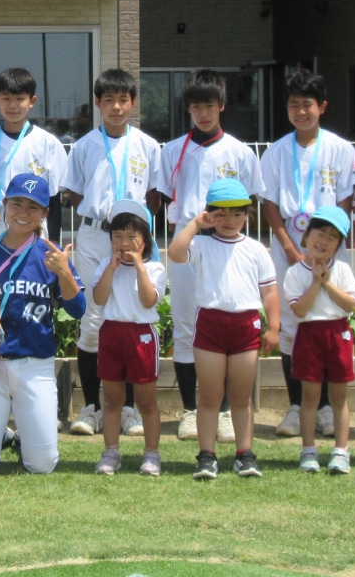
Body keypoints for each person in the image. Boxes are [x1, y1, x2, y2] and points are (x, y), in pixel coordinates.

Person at [153, 70, 265, 446]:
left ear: (222, 106)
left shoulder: (240, 152)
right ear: (188, 108)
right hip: (189, 245)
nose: (203, 113)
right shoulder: (171, 150)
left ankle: (229, 414)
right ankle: (190, 409)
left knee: (230, 320)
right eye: (196, 106)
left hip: (229, 246)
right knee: (187, 327)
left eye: (210, 106)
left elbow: (252, 201)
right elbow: (161, 199)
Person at [63, 68, 162, 439]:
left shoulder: (148, 146)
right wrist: (102, 224)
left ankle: (132, 410)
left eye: (123, 100)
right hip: (94, 236)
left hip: (134, 239)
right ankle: (91, 407)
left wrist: (134, 232)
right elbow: (75, 193)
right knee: (93, 321)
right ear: (98, 104)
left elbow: (154, 195)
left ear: (132, 103)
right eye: (109, 100)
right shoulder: (85, 145)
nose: (116, 107)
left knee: (133, 317)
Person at [258, 69, 355, 442]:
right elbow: (269, 203)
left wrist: (330, 247)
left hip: (328, 249)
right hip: (290, 250)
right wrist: (287, 246)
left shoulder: (340, 150)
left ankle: (329, 410)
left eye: (308, 105)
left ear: (322, 107)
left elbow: (345, 201)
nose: (301, 112)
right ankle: (298, 405)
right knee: (291, 326)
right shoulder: (276, 151)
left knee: (329, 321)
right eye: (294, 104)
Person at [0, 174, 84, 476]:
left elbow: (78, 309)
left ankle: (23, 437)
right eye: (16, 203)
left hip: (35, 364)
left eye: (33, 207)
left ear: (45, 213)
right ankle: (2, 434)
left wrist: (64, 274)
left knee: (42, 465)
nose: (23, 212)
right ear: (4, 206)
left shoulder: (52, 256)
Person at [167, 178, 279, 480]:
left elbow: (269, 291)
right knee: (210, 396)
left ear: (247, 214)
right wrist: (195, 224)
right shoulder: (202, 244)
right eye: (221, 213)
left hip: (245, 325)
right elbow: (175, 254)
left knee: (241, 397)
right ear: (210, 214)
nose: (229, 220)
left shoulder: (255, 249)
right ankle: (207, 455)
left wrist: (274, 327)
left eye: (237, 213)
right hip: (210, 324)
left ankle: (245, 453)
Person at [89, 200, 165, 477]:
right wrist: (111, 268)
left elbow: (148, 301)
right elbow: (98, 298)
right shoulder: (105, 265)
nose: (124, 243)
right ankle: (111, 451)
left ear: (145, 241)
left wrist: (139, 268)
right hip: (111, 332)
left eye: (132, 237)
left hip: (141, 335)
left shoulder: (155, 269)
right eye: (117, 236)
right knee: (111, 400)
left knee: (146, 401)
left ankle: (152, 454)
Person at [282, 205, 355, 475]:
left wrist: (327, 283)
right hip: (308, 336)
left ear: (339, 245)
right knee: (309, 398)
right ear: (307, 234)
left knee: (339, 398)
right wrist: (315, 282)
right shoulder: (294, 273)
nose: (323, 241)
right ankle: (309, 450)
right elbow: (300, 309)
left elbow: (350, 304)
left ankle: (341, 451)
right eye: (320, 232)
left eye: (333, 237)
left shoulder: (343, 271)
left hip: (338, 334)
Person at [0, 66, 69, 241]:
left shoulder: (49, 144)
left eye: (20, 99)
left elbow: (54, 198)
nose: (12, 105)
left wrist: (53, 243)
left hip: (34, 225)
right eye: (6, 98)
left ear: (32, 101)